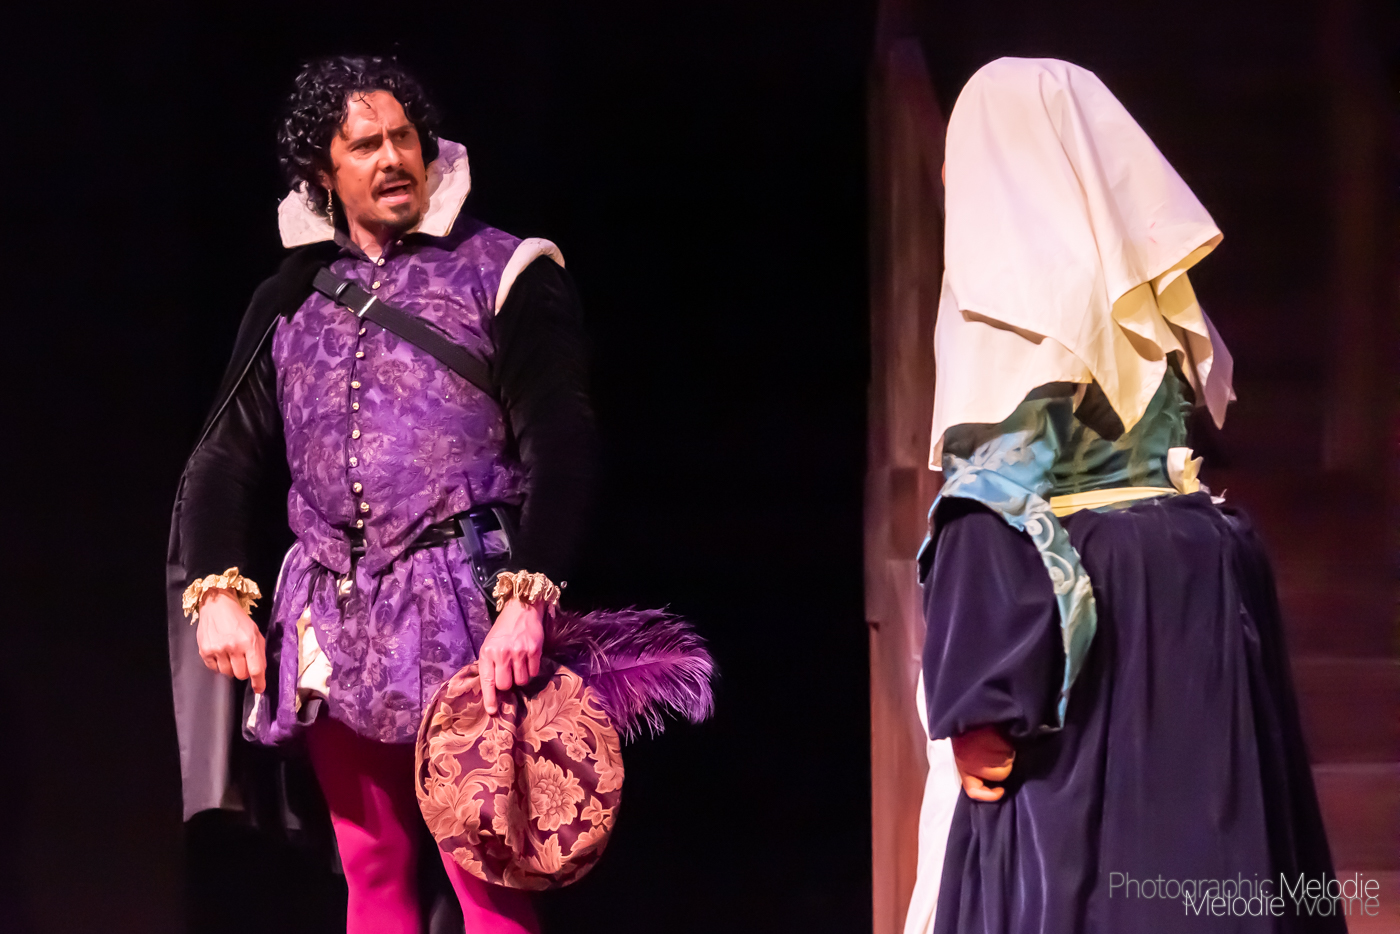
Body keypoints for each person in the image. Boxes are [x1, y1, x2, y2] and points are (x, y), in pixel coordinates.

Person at [908, 58, 1342, 933]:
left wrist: (979, 691)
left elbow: (990, 495)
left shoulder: (1020, 303)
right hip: (1185, 603)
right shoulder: (1136, 293)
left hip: (1099, 634)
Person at [166, 55, 597, 934]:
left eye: (405, 137)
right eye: (365, 144)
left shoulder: (504, 270)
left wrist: (529, 599)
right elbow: (222, 456)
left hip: (463, 604)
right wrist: (218, 593)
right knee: (371, 868)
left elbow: (564, 439)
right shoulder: (288, 297)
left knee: (488, 872)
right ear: (322, 171)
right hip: (330, 612)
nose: (394, 157)